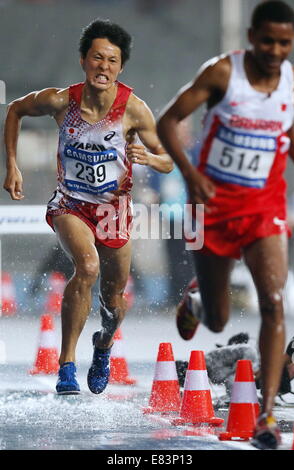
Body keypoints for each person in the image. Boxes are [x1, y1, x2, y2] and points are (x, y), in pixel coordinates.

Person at [157, 0, 294, 450]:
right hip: (214, 206)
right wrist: (192, 174)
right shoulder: (222, 74)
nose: (275, 50)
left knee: (273, 303)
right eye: (268, 41)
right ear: (251, 37)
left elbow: (290, 136)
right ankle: (199, 301)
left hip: (264, 208)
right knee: (218, 320)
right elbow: (168, 120)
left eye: (285, 43)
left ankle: (267, 415)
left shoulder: (291, 83)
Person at [4, 19, 173, 396]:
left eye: (112, 61)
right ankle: (66, 366)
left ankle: (104, 346)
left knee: (114, 299)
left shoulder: (135, 110)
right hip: (71, 205)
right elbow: (14, 109)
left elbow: (168, 161)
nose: (104, 67)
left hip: (114, 211)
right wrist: (12, 164)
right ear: (84, 60)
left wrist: (148, 157)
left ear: (120, 67)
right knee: (87, 267)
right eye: (98, 58)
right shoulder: (61, 100)